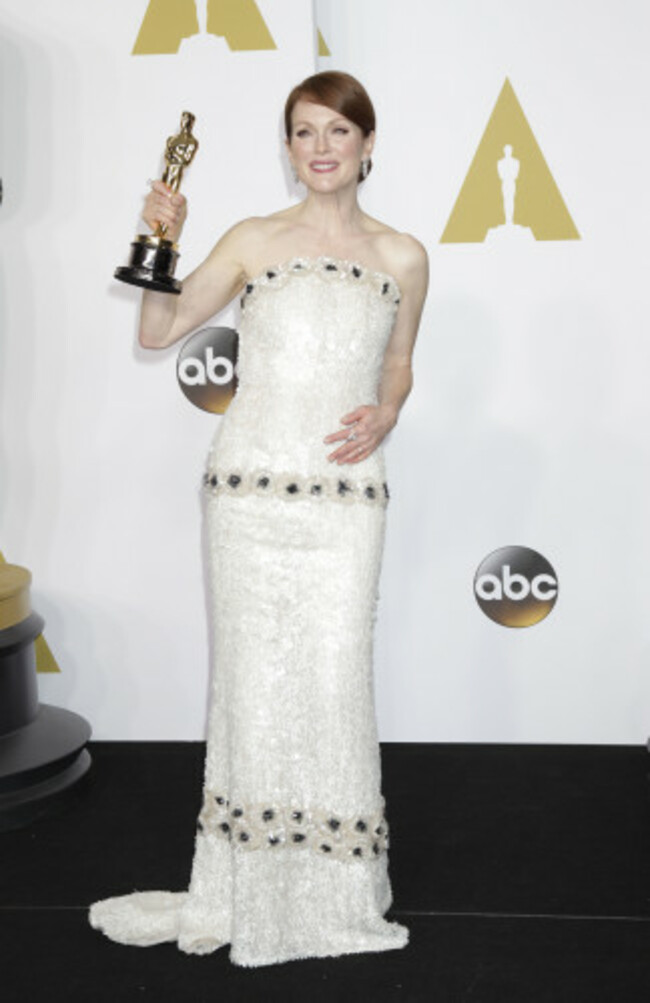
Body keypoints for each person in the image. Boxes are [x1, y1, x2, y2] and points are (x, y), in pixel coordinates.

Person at [89, 70, 429, 967]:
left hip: (345, 505)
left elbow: (398, 364)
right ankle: (241, 882)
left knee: (332, 686)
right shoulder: (250, 239)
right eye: (304, 132)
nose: (321, 147)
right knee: (251, 690)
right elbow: (156, 333)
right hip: (247, 501)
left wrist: (388, 411)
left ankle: (335, 891)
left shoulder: (402, 256)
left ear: (366, 143)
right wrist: (158, 236)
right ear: (287, 148)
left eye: (338, 131)